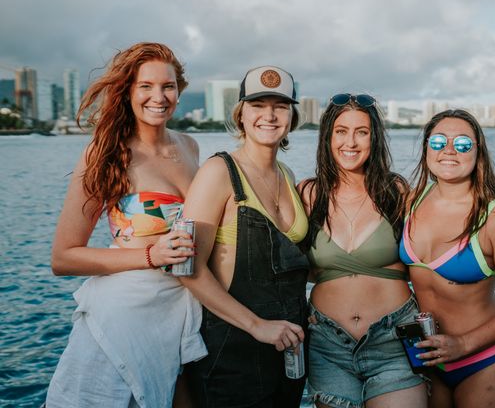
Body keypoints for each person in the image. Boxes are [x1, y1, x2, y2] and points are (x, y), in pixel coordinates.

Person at [46, 42, 206, 407]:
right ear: (128, 92)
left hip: (180, 310)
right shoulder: (105, 153)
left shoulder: (190, 147)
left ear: (179, 90)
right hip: (124, 315)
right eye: (145, 86)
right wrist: (153, 254)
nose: (158, 96)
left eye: (168, 86)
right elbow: (64, 257)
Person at [180, 66, 309, 407]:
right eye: (257, 105)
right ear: (241, 114)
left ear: (292, 116)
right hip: (233, 349)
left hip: (288, 345)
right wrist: (256, 326)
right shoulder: (218, 172)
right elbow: (187, 269)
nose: (269, 115)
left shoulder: (287, 174)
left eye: (280, 106)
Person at [400, 109, 495, 407]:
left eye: (463, 144)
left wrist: (462, 344)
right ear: (426, 148)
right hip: (430, 362)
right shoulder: (411, 201)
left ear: (478, 153)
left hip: (488, 361)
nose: (449, 150)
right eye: (438, 141)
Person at [299, 93, 427, 408]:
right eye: (341, 131)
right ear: (327, 137)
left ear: (375, 139)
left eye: (362, 132)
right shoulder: (308, 194)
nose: (351, 142)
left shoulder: (396, 192)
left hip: (394, 342)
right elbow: (290, 264)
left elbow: (429, 255)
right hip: (328, 345)